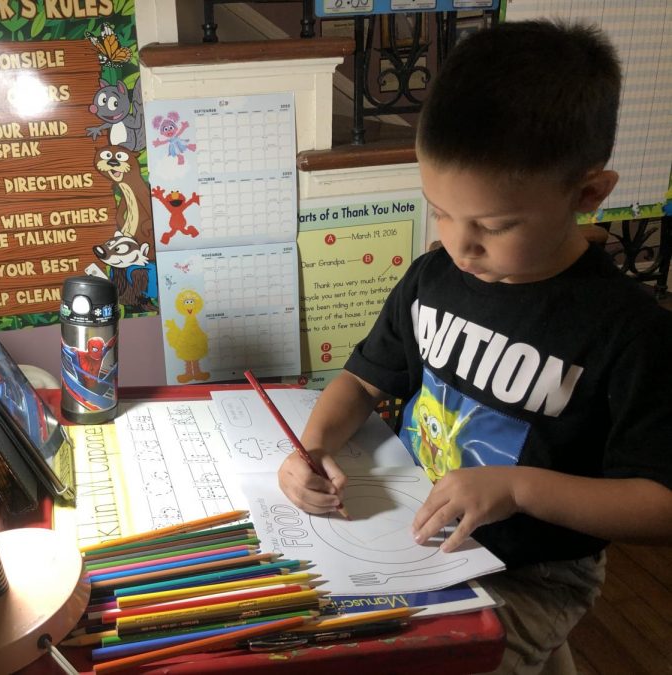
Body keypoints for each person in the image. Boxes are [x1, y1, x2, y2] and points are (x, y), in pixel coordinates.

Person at [278, 20, 672, 675]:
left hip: (536, 569)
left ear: (588, 193)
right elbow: (361, 379)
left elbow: (661, 505)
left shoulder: (630, 330)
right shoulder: (433, 278)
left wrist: (519, 487)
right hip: (410, 530)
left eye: (495, 225)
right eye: (440, 210)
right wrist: (313, 446)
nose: (461, 245)